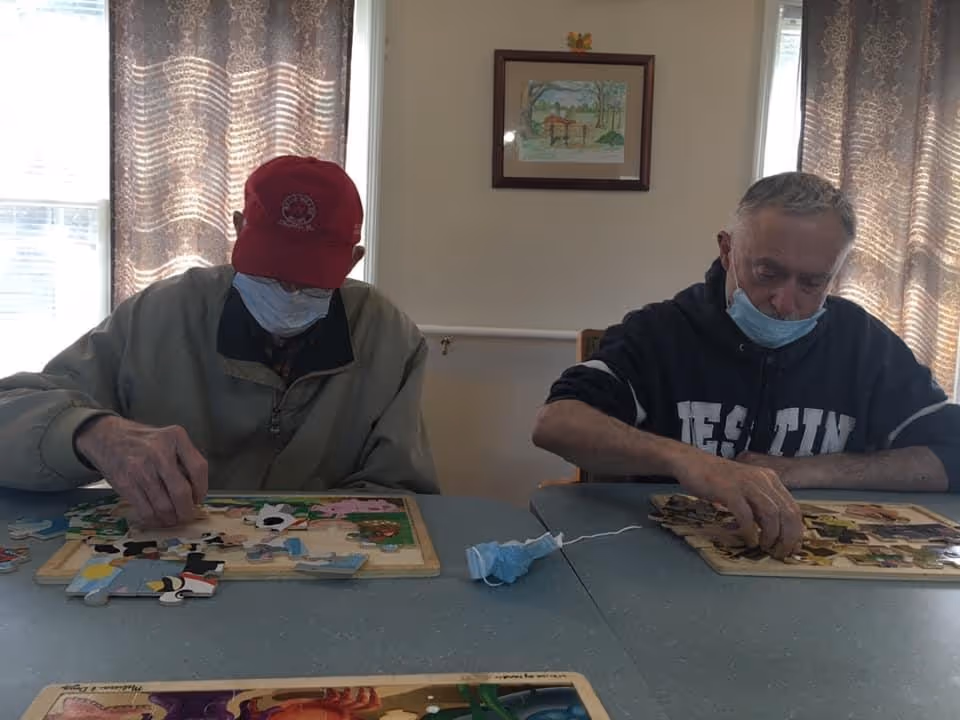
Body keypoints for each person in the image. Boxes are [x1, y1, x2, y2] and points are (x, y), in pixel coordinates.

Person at [533, 172, 960, 559]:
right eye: (767, 273)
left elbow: (951, 453)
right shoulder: (661, 331)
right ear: (727, 250)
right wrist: (688, 461)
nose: (785, 303)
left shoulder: (865, 345)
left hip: (821, 570)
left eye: (813, 282)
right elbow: (556, 422)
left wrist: (802, 471)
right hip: (670, 567)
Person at [0, 156, 438, 527]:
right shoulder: (158, 315)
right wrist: (91, 433)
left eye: (309, 279)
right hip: (172, 553)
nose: (287, 292)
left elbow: (401, 495)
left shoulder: (388, 337)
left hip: (323, 570)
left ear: (352, 261)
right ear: (238, 228)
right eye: (269, 270)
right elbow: (13, 413)